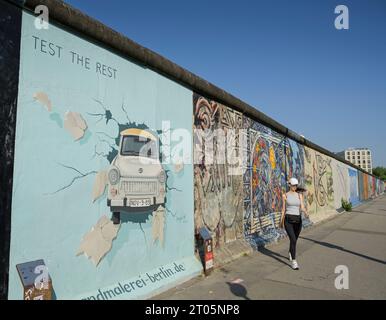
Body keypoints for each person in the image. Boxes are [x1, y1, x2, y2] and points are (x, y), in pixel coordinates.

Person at [280, 177, 308, 270]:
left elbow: (302, 207)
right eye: (293, 185)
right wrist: (281, 221)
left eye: (296, 185)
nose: (294, 187)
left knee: (294, 240)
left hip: (298, 221)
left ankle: (290, 252)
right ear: (289, 185)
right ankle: (294, 261)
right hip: (288, 220)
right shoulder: (285, 195)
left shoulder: (299, 195)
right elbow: (283, 209)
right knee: (293, 239)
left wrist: (306, 212)